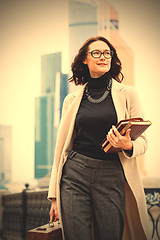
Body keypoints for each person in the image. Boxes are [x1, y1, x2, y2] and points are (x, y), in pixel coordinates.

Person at [48, 36, 151, 240]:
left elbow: (144, 142)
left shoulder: (128, 94)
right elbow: (60, 150)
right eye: (96, 53)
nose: (103, 57)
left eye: (107, 53)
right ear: (84, 59)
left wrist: (127, 144)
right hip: (74, 174)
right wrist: (53, 197)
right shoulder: (71, 100)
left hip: (111, 174)